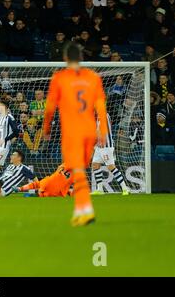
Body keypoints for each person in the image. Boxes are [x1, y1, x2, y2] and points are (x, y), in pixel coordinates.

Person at [43, 43, 108, 226]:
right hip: (90, 131)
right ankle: (80, 211)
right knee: (79, 170)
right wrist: (102, 129)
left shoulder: (60, 78)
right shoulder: (94, 77)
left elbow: (49, 108)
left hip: (73, 132)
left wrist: (46, 128)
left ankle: (86, 210)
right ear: (81, 57)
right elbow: (101, 106)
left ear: (65, 58)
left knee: (77, 170)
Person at [92, 112, 130, 196]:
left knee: (111, 167)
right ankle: (100, 189)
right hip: (99, 146)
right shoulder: (98, 116)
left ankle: (125, 188)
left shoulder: (104, 115)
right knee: (95, 165)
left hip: (106, 146)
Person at [0, 99, 18, 186]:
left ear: (4, 107)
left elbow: (16, 131)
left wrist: (5, 139)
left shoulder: (9, 117)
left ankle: (2, 186)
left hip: (3, 146)